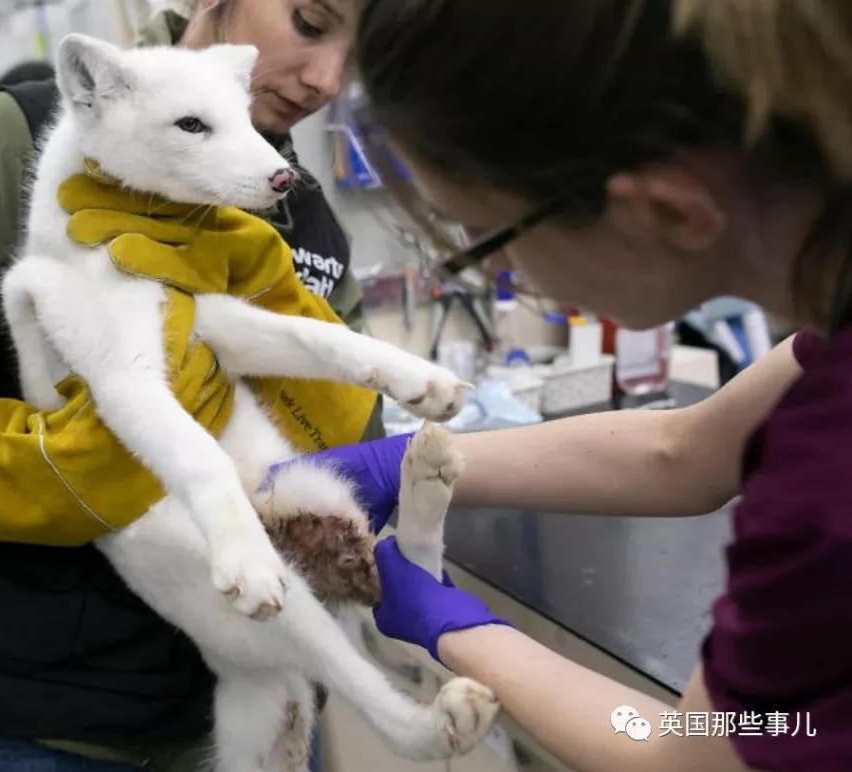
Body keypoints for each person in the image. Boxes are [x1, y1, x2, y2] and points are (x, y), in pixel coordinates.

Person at [283, 1, 852, 770]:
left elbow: (683, 757)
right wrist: (407, 461)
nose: (502, 276)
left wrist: (457, 631)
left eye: (492, 237)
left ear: (664, 211)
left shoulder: (827, 485)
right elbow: (684, 449)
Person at [0, 1, 373, 770]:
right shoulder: (21, 137)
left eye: (363, 52)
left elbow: (349, 440)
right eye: (310, 24)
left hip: (265, 700)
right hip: (58, 728)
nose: (328, 79)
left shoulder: (302, 212)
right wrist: (75, 468)